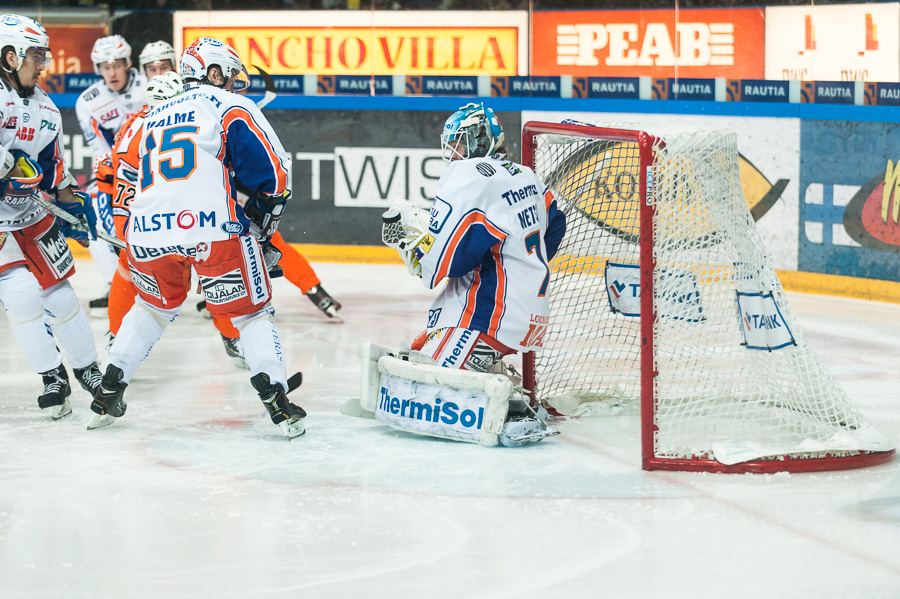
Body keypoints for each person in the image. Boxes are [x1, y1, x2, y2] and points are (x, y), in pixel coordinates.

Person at [91, 37, 306, 439]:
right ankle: (277, 397)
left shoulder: (152, 115)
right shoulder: (230, 105)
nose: (232, 84)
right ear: (213, 72)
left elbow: (130, 175)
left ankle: (108, 389)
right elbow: (276, 176)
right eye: (227, 75)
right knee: (251, 313)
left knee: (153, 308)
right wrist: (263, 225)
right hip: (211, 231)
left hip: (147, 232)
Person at [375, 102, 567, 446]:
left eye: (460, 142)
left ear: (480, 140)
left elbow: (438, 270)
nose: (453, 152)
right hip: (523, 310)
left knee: (424, 390)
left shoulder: (470, 176)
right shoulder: (525, 175)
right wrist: (520, 265)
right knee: (418, 353)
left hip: (489, 314)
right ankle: (491, 372)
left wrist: (413, 248)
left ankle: (513, 406)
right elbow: (557, 221)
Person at [0, 13, 103, 419]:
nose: (44, 64)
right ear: (10, 57)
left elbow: (52, 165)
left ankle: (89, 371)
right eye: (36, 56)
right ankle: (51, 375)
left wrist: (72, 204)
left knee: (59, 295)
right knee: (21, 295)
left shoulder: (46, 108)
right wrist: (9, 170)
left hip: (31, 215)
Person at [75, 34, 147, 318]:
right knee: (88, 213)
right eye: (105, 67)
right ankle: (114, 282)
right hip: (117, 171)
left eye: (116, 65)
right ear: (98, 69)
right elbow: (99, 149)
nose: (112, 72)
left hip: (155, 168)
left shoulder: (149, 85)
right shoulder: (88, 101)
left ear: (128, 63)